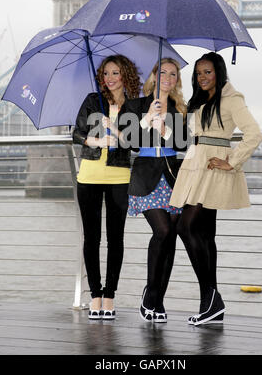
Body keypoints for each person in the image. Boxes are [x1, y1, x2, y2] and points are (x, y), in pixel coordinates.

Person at [170, 52, 262, 326]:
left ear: (219, 72)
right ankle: (210, 304)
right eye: (199, 73)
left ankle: (212, 298)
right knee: (205, 234)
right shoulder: (200, 100)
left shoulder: (232, 99)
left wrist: (231, 162)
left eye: (208, 72)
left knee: (185, 227)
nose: (202, 77)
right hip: (196, 164)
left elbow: (254, 133)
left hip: (213, 169)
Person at [72, 54, 141, 320]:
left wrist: (118, 132)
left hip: (119, 178)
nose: (109, 78)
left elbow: (135, 143)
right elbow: (76, 132)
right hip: (89, 176)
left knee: (116, 239)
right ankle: (95, 296)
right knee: (91, 238)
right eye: (105, 73)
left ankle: (110, 295)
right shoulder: (92, 100)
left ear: (125, 75)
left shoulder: (134, 106)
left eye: (115, 73)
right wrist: (94, 142)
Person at [125, 58, 187, 323]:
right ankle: (150, 294)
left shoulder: (179, 107)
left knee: (170, 236)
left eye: (173, 74)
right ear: (153, 75)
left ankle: (158, 299)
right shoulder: (136, 104)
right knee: (162, 230)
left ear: (177, 81)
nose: (168, 77)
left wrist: (164, 127)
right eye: (163, 72)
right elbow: (128, 142)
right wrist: (146, 120)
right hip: (146, 175)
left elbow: (184, 142)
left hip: (173, 175)